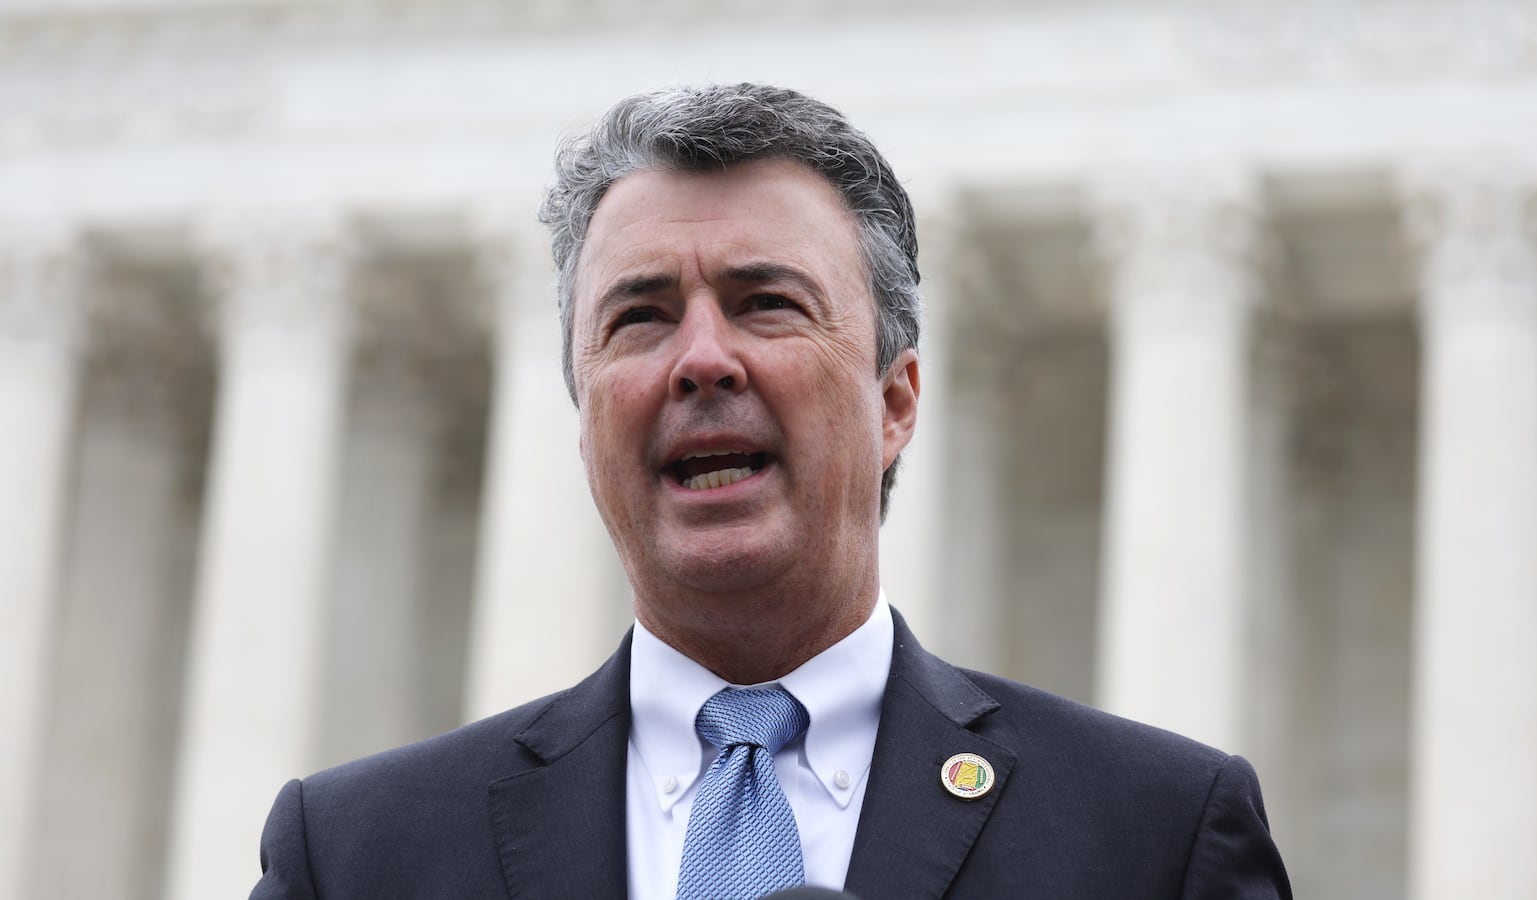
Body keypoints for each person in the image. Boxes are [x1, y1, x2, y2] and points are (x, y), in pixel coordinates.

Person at [248, 83, 1292, 899]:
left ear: (895, 402)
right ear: (582, 425)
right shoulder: (355, 857)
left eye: (766, 303)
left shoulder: (1155, 836)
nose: (702, 360)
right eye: (640, 317)